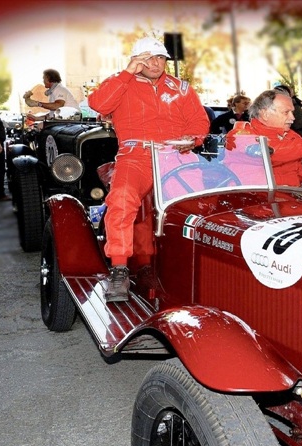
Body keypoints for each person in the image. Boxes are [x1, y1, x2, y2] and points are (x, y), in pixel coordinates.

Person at [88, 36, 211, 302]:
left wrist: (193, 138)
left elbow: (199, 122)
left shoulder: (180, 87)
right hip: (136, 156)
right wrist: (128, 72)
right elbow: (98, 104)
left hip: (177, 155)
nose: (156, 63)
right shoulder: (120, 83)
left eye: (160, 58)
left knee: (200, 206)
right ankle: (119, 268)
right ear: (136, 60)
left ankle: (199, 265)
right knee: (121, 200)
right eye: (148, 58)